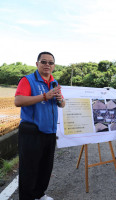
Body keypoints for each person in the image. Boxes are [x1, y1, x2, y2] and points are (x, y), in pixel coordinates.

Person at [15, 52, 65, 200]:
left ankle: (39, 194)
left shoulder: (54, 83)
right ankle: (27, 197)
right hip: (32, 131)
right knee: (29, 169)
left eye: (50, 63)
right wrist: (44, 96)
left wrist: (59, 100)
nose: (47, 65)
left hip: (49, 131)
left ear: (54, 66)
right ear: (37, 64)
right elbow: (18, 101)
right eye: (44, 62)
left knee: (45, 167)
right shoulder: (28, 80)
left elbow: (62, 104)